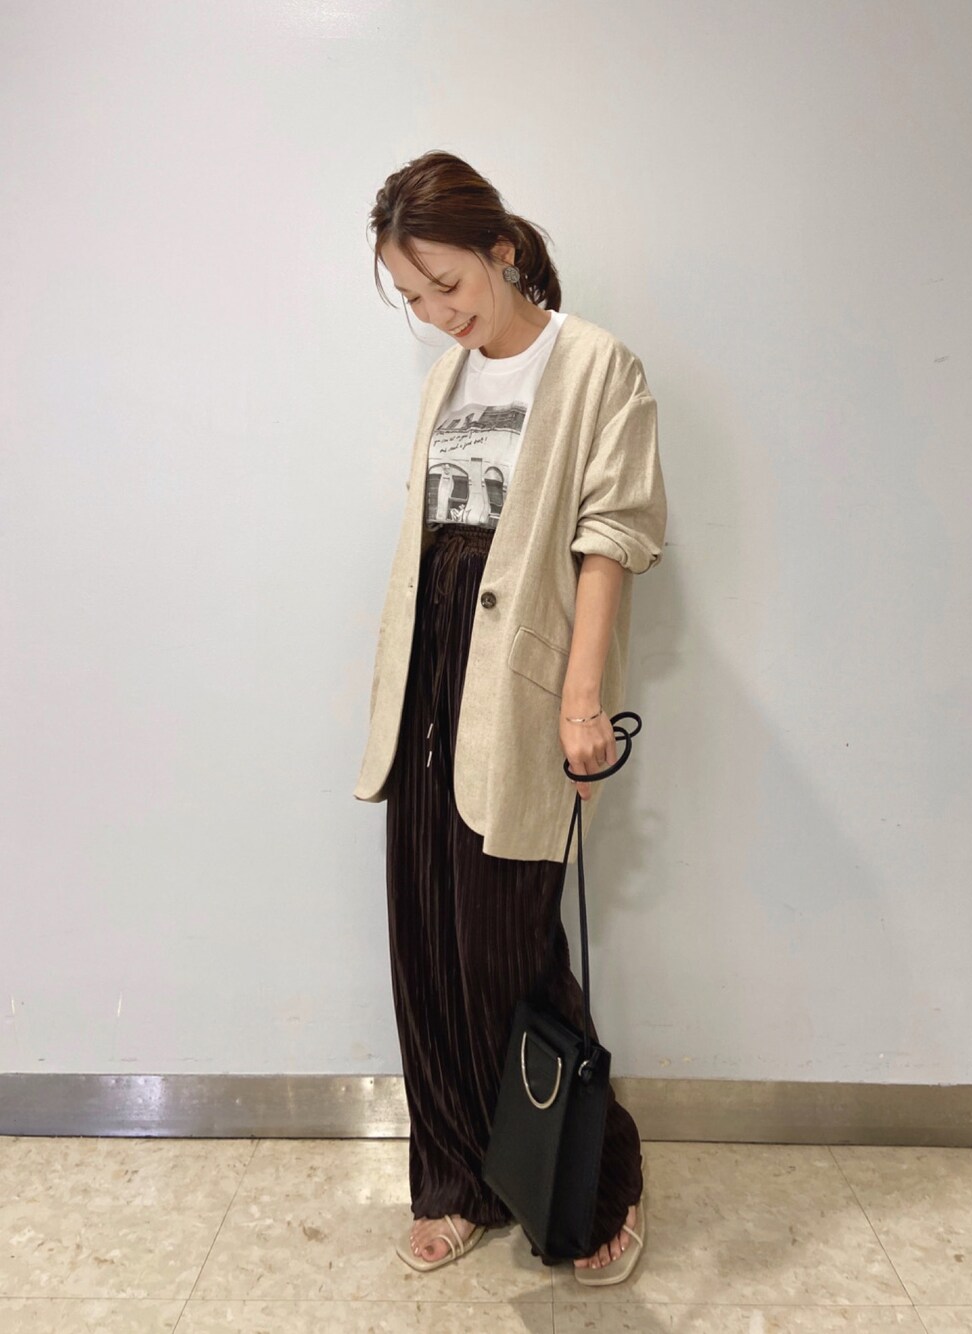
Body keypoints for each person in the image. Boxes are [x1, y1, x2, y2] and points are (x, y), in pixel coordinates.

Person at [354, 150, 667, 1284]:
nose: (436, 314)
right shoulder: (449, 377)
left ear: (501, 250)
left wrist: (583, 698)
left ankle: (597, 1183)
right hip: (428, 678)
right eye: (412, 297)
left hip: (523, 683)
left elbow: (612, 536)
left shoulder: (595, 365)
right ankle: (455, 1179)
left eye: (446, 284)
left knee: (506, 946)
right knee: (427, 936)